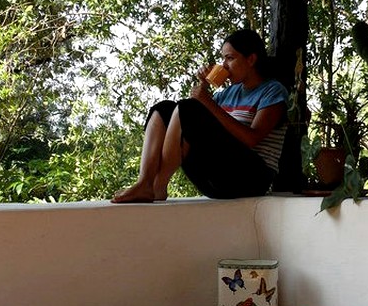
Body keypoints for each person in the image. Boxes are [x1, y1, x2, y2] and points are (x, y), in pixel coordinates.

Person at [111, 29, 289, 203]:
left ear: (251, 59)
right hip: (217, 179)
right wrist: (203, 86)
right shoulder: (229, 93)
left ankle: (158, 184)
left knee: (188, 108)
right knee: (164, 109)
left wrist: (207, 102)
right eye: (223, 59)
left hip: (251, 178)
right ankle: (145, 182)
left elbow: (252, 138)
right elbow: (194, 124)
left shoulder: (272, 90)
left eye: (230, 58)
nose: (224, 65)